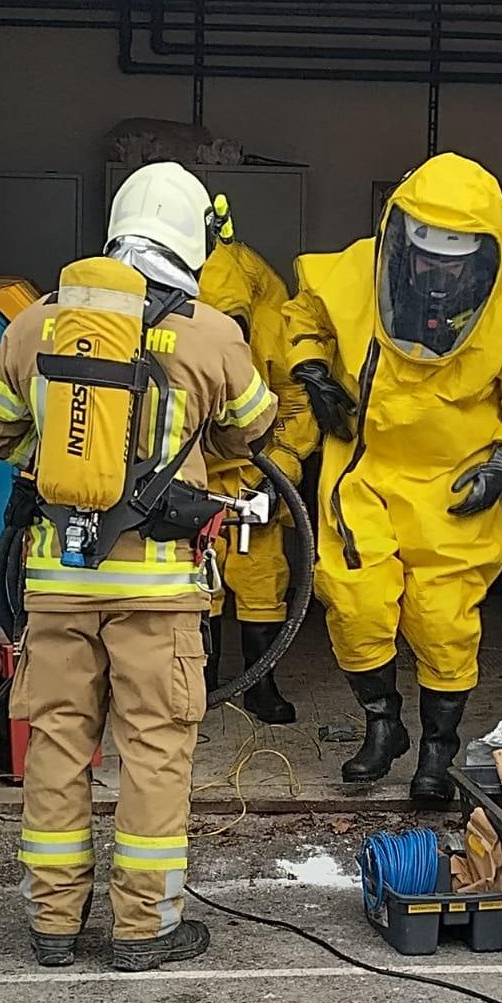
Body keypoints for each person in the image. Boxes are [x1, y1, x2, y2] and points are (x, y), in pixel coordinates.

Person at [0, 162, 277, 970]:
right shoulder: (211, 333)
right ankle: (145, 928)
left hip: (56, 583)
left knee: (59, 748)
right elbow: (255, 429)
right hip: (161, 593)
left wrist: (65, 452)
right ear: (191, 239)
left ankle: (53, 925)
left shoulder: (37, 323)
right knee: (154, 754)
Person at [284, 153, 502, 802]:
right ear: (398, 241)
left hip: (453, 487)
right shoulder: (352, 274)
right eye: (425, 255)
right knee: (356, 604)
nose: (436, 272)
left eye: (454, 259)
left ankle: (437, 755)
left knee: (443, 624)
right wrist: (313, 371)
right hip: (366, 477)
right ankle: (383, 727)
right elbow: (304, 319)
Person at [199, 233, 319, 723]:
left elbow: (298, 406)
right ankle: (198, 684)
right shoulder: (170, 316)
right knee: (195, 580)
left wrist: (280, 474)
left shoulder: (273, 326)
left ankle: (259, 683)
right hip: (194, 471)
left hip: (255, 469)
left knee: (262, 578)